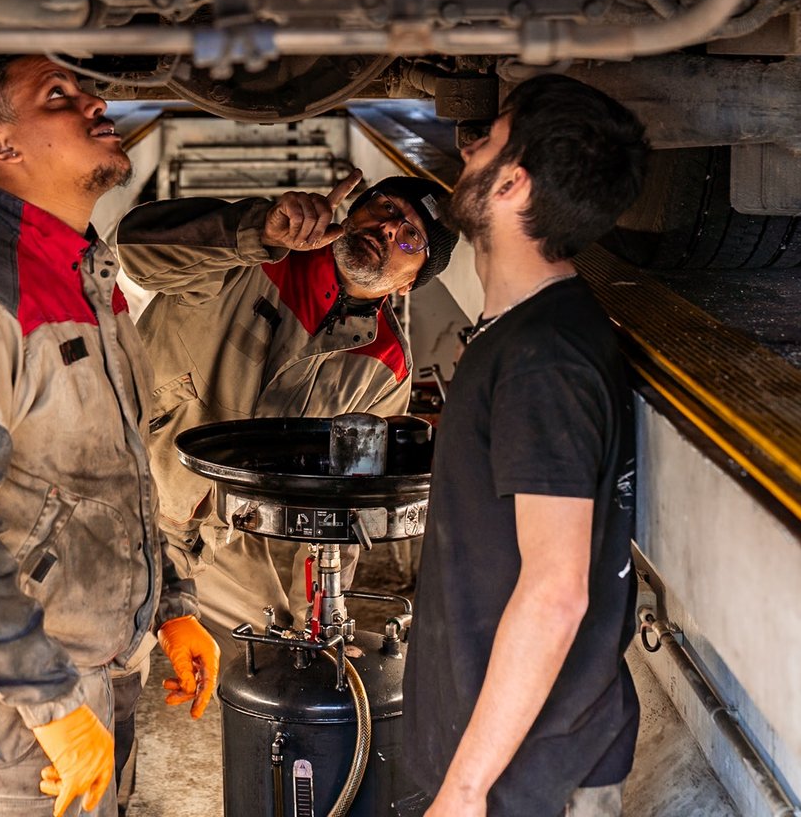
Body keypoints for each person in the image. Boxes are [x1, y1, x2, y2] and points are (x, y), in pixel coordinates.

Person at [0, 54, 218, 817]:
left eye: (84, 89)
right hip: (1, 696)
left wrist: (172, 605)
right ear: (2, 147)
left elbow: (113, 477)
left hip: (78, 662)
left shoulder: (85, 277)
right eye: (57, 96)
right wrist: (49, 701)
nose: (94, 102)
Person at [400, 74, 647, 817]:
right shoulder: (530, 335)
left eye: (490, 139)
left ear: (512, 184)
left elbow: (556, 592)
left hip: (522, 781)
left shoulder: (546, 362)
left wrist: (467, 789)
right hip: (508, 759)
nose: (467, 146)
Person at [115, 170, 457, 645]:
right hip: (122, 496)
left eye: (410, 238)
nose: (387, 230)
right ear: (356, 209)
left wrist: (320, 621)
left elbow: (346, 505)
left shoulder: (386, 365)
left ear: (410, 283)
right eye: (387, 209)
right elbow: (134, 250)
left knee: (289, 651)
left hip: (210, 537)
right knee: (109, 654)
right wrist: (257, 231)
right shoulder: (253, 256)